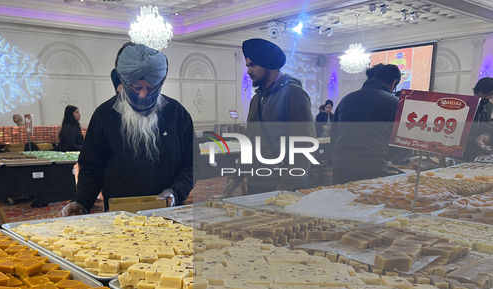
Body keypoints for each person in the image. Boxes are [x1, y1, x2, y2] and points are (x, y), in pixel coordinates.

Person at [60, 43, 199, 215]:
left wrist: (175, 192)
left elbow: (191, 164)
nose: (143, 94)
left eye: (150, 88)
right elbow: (91, 167)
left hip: (169, 212)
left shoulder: (178, 114)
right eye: (136, 87)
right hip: (120, 216)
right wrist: (81, 201)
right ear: (124, 82)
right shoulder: (104, 115)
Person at [222, 38, 316, 197]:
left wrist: (284, 187)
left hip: (282, 186)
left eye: (253, 65)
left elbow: (305, 145)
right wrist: (234, 181)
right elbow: (250, 144)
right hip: (255, 182)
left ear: (269, 65)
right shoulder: (257, 99)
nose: (249, 71)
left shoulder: (294, 93)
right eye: (248, 66)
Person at [331, 64, 401, 185]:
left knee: (340, 201)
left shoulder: (346, 99)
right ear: (393, 83)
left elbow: (334, 135)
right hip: (372, 166)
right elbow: (398, 143)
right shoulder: (395, 103)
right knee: (367, 203)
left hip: (340, 165)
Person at [463, 77, 493, 161]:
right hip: (462, 154)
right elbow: (455, 135)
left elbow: (486, 127)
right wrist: (474, 140)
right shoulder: (465, 106)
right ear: (477, 92)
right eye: (485, 94)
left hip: (477, 154)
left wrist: (487, 136)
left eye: (491, 94)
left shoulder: (487, 107)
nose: (488, 97)